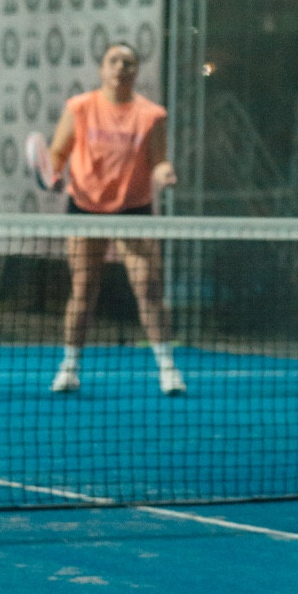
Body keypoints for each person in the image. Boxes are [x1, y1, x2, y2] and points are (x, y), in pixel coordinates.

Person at [45, 41, 184, 395]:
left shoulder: (152, 115)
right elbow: (58, 153)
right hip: (85, 208)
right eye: (114, 61)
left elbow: (159, 161)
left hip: (133, 209)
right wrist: (54, 173)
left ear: (136, 71)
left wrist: (165, 174)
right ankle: (69, 367)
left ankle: (168, 368)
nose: (121, 67)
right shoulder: (79, 107)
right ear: (102, 69)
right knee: (83, 290)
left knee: (148, 288)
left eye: (128, 62)